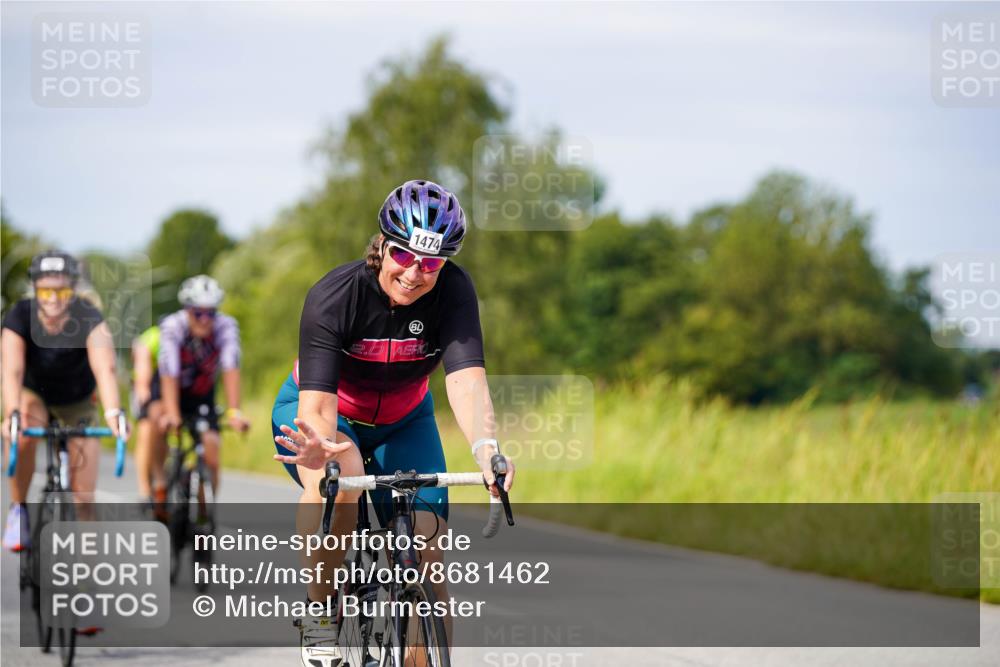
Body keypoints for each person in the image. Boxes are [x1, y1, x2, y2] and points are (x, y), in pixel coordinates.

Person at [271, 180, 515, 666]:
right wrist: (319, 450)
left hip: (405, 419)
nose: (414, 273)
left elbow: (466, 381)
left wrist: (486, 448)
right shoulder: (334, 295)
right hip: (329, 414)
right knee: (339, 484)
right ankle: (320, 611)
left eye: (432, 263)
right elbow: (318, 406)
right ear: (382, 245)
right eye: (404, 255)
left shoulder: (454, 291)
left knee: (428, 555)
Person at [1, 251, 128, 551]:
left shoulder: (88, 315)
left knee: (83, 497)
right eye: (46, 291)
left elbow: (105, 368)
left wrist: (114, 413)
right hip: (35, 395)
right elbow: (11, 369)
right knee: (23, 431)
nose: (54, 299)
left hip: (77, 400)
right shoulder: (20, 314)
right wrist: (12, 412)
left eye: (62, 291)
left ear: (73, 289)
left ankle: (88, 567)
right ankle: (18, 510)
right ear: (35, 289)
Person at [156, 276, 250, 495]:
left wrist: (234, 412)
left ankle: (205, 506)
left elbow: (231, 367)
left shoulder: (226, 326)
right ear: (187, 310)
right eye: (198, 313)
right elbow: (169, 370)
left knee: (212, 449)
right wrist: (172, 413)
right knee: (155, 421)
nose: (205, 320)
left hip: (201, 394)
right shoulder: (173, 325)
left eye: (211, 313)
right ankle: (158, 485)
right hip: (172, 389)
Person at [131, 322, 169, 513]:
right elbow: (143, 373)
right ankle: (144, 489)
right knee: (146, 431)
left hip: (168, 386)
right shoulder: (151, 339)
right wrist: (143, 392)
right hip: (146, 384)